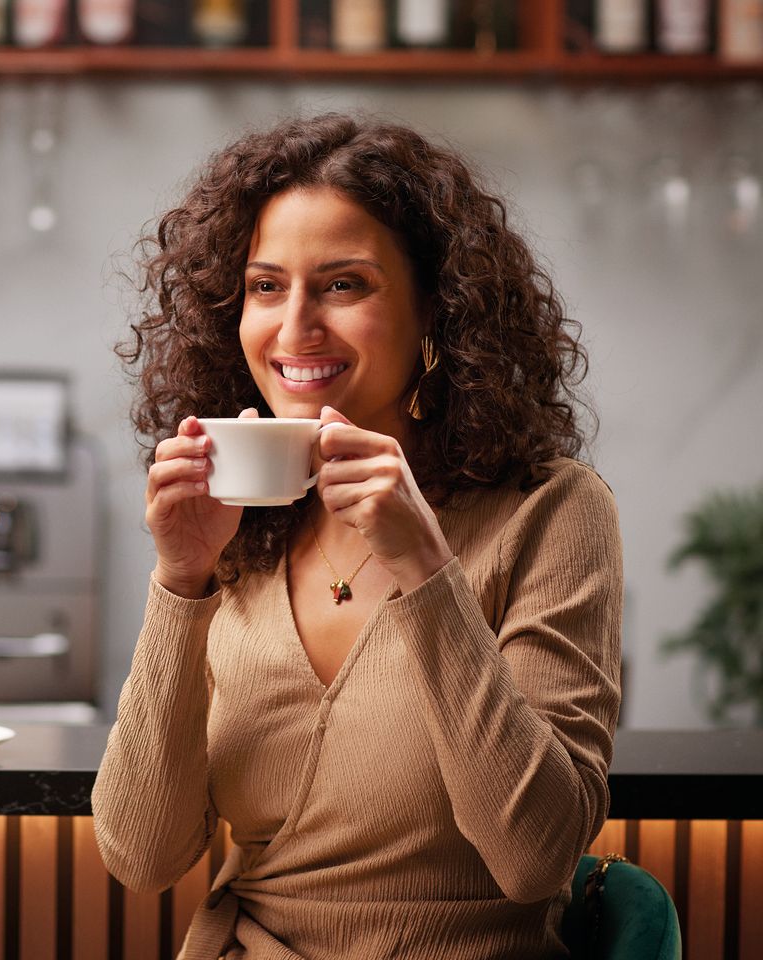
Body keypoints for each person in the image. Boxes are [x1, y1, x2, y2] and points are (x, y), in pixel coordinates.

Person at [92, 113, 623, 959]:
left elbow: (534, 857)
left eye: (343, 285)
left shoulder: (551, 512)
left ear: (437, 313)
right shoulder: (243, 526)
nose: (294, 327)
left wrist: (426, 567)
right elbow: (141, 854)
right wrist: (181, 581)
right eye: (266, 287)